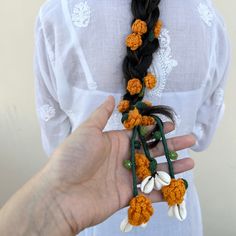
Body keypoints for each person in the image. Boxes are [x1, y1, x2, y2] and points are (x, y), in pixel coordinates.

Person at [34, 0, 230, 235]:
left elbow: (55, 144)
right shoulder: (210, 19)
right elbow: (201, 137)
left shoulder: (58, 14)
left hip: (87, 206)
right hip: (174, 202)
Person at [0, 97, 195, 235]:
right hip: (99, 209)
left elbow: (53, 139)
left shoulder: (55, 37)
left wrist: (56, 201)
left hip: (91, 214)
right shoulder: (215, 38)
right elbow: (202, 137)